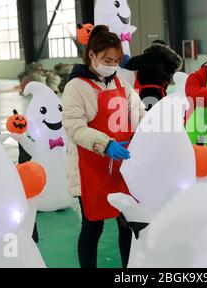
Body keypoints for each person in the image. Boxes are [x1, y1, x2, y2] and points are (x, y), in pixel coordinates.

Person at [62, 25, 146, 268]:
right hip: (91, 167)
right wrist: (105, 144)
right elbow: (75, 128)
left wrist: (155, 129)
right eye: (107, 59)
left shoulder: (121, 83)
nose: (112, 65)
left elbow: (139, 113)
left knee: (126, 222)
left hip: (122, 165)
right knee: (92, 226)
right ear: (92, 55)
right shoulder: (76, 87)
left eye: (117, 60)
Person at [124, 40, 183, 110]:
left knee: (146, 118)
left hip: (147, 94)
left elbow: (129, 64)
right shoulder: (170, 62)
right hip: (162, 94)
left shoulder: (150, 56)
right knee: (158, 116)